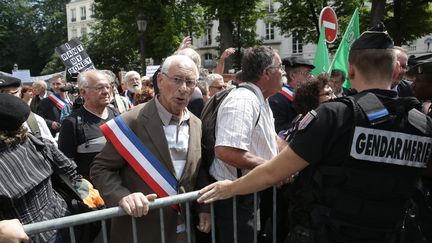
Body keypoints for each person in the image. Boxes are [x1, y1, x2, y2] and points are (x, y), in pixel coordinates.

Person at [199, 23, 432, 243]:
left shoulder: (335, 116)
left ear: (350, 69)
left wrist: (228, 188)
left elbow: (274, 172)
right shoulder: (421, 124)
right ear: (394, 71)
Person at [90, 55, 211, 243]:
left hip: (182, 230)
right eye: (177, 79)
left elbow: (199, 169)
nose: (184, 88)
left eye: (190, 82)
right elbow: (100, 168)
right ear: (160, 81)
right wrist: (122, 196)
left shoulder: (196, 123)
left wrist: (204, 208)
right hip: (140, 230)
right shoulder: (132, 121)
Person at [209, 46, 286, 243]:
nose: (284, 72)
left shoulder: (260, 100)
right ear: (266, 73)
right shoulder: (243, 100)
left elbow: (269, 141)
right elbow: (226, 151)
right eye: (281, 66)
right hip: (234, 199)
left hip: (246, 194)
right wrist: (272, 169)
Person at [0, 93, 79, 242]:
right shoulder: (36, 142)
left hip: (34, 235)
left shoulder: (37, 143)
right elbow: (70, 169)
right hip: (64, 222)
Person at [58, 70, 118, 180]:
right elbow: (65, 165)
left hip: (120, 188)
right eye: (99, 88)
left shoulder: (116, 114)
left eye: (108, 87)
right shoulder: (72, 123)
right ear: (83, 92)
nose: (106, 91)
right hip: (93, 193)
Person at [0, 74, 56, 145]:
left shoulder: (35, 121)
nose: (4, 100)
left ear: (19, 94)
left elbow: (52, 150)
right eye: (2, 93)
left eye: (10, 94)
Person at [269, 56, 315, 133]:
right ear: (293, 76)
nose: (311, 77)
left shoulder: (306, 96)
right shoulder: (277, 100)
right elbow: (278, 131)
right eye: (307, 73)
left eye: (310, 73)